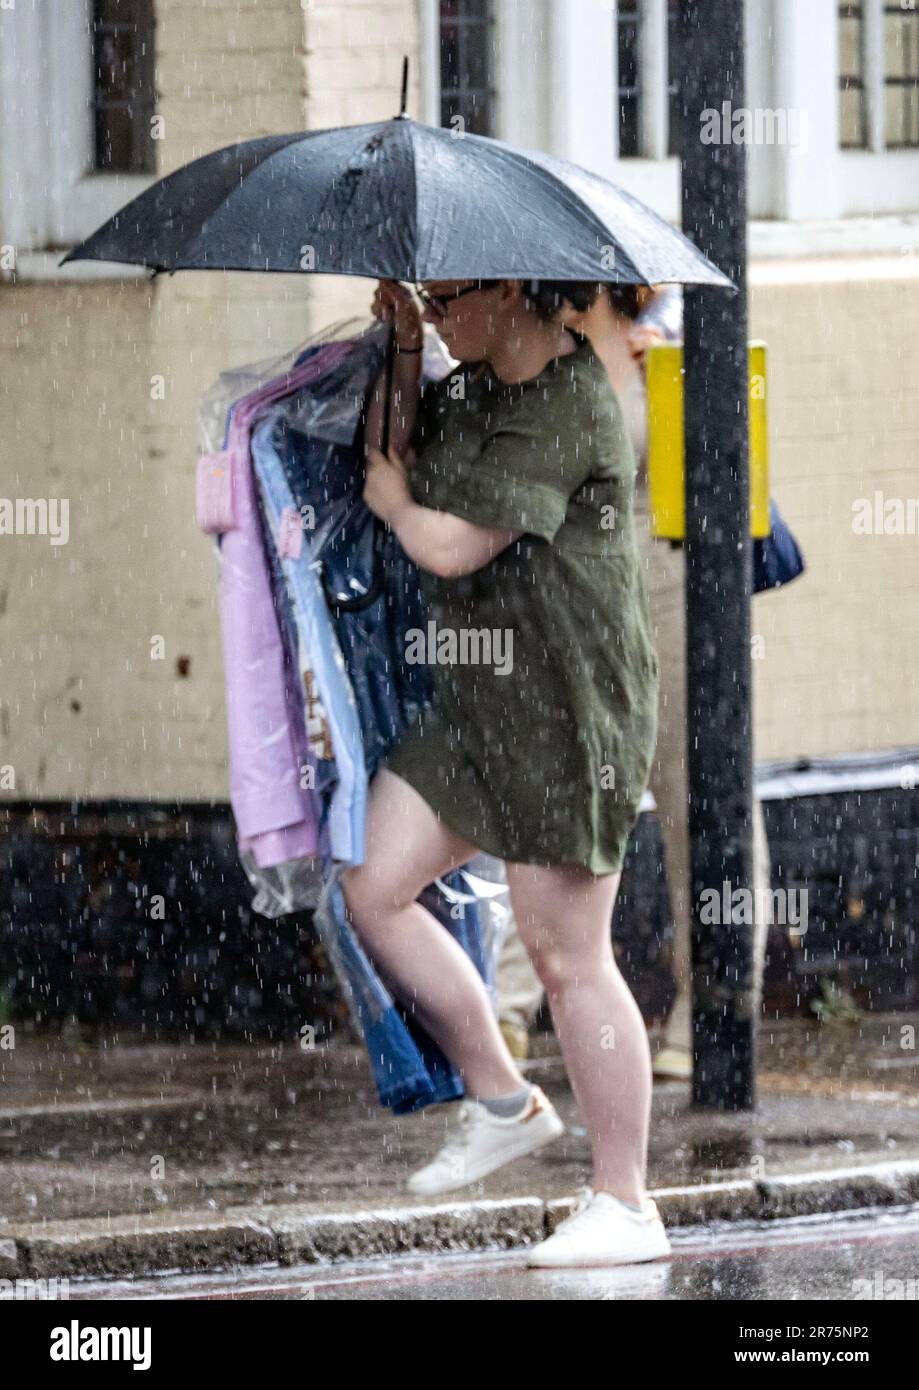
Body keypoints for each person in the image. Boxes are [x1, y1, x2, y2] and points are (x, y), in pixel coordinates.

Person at [341, 276, 670, 1267]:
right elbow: (394, 449)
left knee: (569, 960)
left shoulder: (571, 403)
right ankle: (499, 1095)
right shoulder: (472, 383)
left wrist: (400, 505)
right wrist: (403, 346)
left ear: (518, 289)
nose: (440, 314)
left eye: (448, 300)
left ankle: (625, 1200)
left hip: (570, 714)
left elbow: (444, 540)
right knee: (374, 883)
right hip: (480, 704)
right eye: (430, 301)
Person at [504, 280, 771, 1080]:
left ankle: (714, 1002)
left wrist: (688, 388)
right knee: (546, 798)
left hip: (672, 604)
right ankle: (512, 1002)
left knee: (699, 801)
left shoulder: (679, 363)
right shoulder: (545, 360)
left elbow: (735, 487)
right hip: (573, 610)